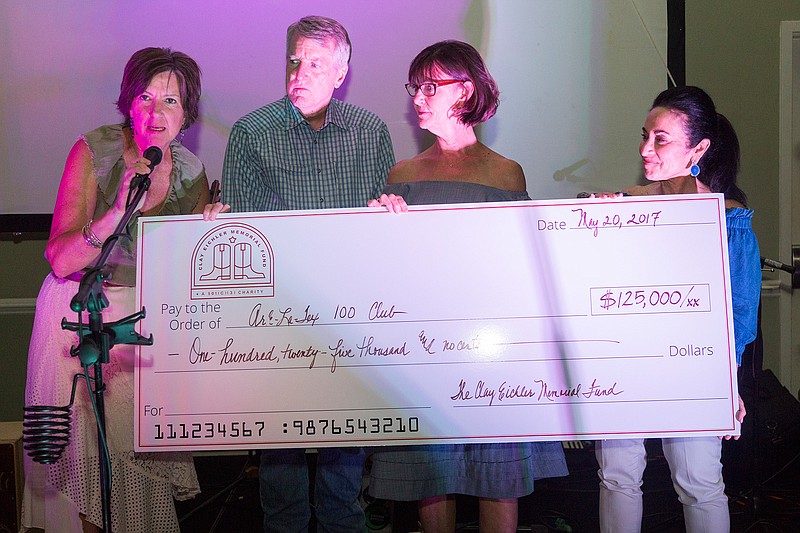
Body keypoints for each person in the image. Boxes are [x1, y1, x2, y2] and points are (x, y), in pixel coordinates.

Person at [368, 40, 568, 533]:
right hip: (423, 348)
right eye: (416, 86)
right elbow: (390, 278)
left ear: (469, 90)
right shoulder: (402, 174)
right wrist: (377, 230)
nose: (419, 96)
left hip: (491, 349)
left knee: (497, 477)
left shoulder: (506, 172)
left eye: (431, 86)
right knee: (429, 478)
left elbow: (520, 267)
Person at [22, 47, 209, 532]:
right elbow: (61, 258)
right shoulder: (94, 150)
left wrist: (211, 233)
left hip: (142, 332)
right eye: (145, 98)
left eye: (171, 101)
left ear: (188, 112)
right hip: (77, 319)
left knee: (134, 479)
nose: (156, 112)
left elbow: (186, 278)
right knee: (85, 474)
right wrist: (109, 218)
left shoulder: (192, 174)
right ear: (128, 103)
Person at [220, 15, 395, 532]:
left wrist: (391, 211)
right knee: (281, 463)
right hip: (280, 319)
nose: (300, 71)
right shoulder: (252, 133)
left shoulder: (370, 132)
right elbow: (244, 241)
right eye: (294, 60)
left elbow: (384, 240)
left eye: (315, 63)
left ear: (341, 72)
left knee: (345, 462)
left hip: (351, 315)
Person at [593, 86, 761, 532]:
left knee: (700, 482)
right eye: (644, 135)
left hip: (692, 368)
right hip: (622, 362)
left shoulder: (727, 219)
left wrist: (728, 379)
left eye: (661, 139)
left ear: (699, 148)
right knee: (617, 477)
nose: (646, 148)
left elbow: (740, 315)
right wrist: (593, 227)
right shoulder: (622, 205)